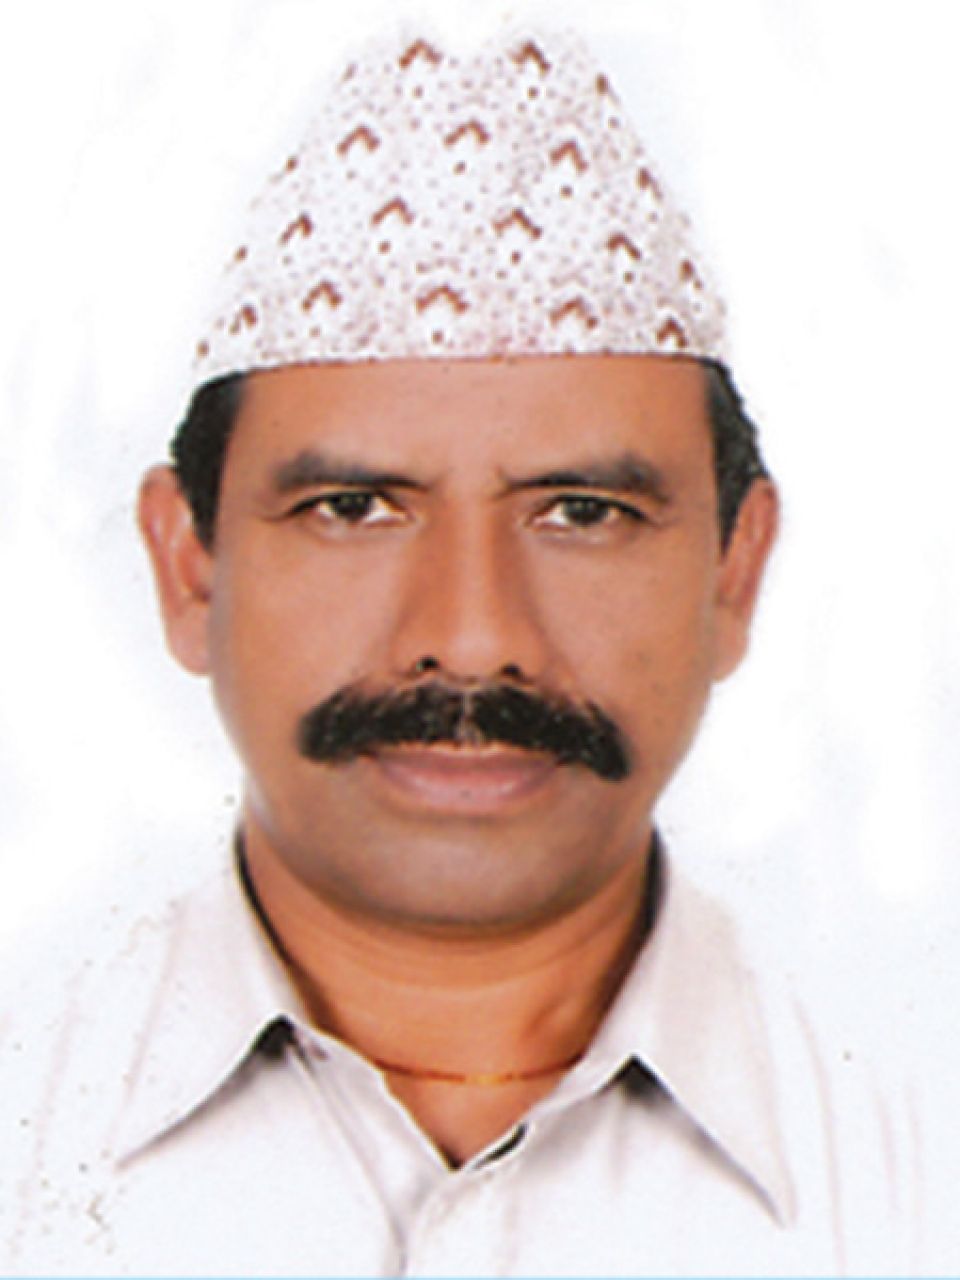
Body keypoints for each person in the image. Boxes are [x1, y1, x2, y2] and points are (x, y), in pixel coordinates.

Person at [0, 26, 934, 1276]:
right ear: (189, 568)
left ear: (733, 571)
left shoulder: (914, 1147)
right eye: (354, 507)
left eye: (582, 512)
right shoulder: (26, 1117)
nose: (474, 636)